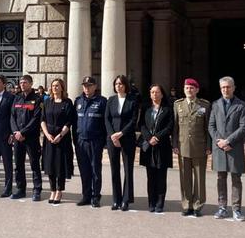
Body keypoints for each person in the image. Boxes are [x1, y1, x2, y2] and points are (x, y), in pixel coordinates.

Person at [208, 76, 245, 221]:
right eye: (223, 87)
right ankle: (222, 207)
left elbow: (243, 127)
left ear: (233, 88)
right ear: (220, 89)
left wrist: (229, 141)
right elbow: (211, 126)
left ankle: (236, 209)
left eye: (228, 87)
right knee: (220, 177)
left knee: (236, 178)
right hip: (219, 147)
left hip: (234, 147)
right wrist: (219, 141)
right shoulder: (215, 104)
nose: (226, 89)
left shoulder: (241, 105)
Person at [172, 78, 211, 217]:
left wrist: (208, 146)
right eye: (187, 88)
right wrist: (175, 144)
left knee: (199, 178)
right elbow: (175, 127)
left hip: (199, 146)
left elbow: (208, 128)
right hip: (182, 146)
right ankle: (186, 204)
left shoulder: (204, 105)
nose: (189, 90)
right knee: (185, 177)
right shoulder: (178, 105)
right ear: (184, 90)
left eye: (192, 88)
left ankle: (198, 205)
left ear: (197, 90)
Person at [105, 75, 140, 211]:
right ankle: (116, 200)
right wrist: (113, 135)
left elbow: (133, 120)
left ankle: (126, 199)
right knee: (114, 170)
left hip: (127, 138)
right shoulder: (111, 100)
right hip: (112, 138)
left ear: (125, 85)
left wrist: (121, 134)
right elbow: (107, 119)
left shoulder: (132, 100)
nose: (118, 86)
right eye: (116, 84)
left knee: (127, 169)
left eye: (121, 84)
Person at [74, 76, 108, 207]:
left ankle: (95, 197)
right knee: (84, 170)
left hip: (95, 141)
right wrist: (76, 140)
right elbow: (74, 123)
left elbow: (105, 123)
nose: (86, 88)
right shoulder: (78, 101)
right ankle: (86, 196)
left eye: (89, 85)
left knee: (95, 170)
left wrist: (103, 141)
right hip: (81, 142)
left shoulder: (102, 102)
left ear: (95, 86)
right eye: (84, 85)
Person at [140, 84, 174, 213]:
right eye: (152, 92)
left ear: (162, 94)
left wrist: (157, 137)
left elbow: (170, 126)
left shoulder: (167, 109)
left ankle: (160, 203)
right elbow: (141, 125)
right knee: (150, 176)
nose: (155, 94)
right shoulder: (146, 108)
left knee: (161, 176)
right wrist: (149, 138)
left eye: (157, 92)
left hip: (162, 146)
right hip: (149, 147)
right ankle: (151, 202)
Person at [10, 74, 44, 201]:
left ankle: (37, 190)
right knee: (18, 165)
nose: (22, 84)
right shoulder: (17, 98)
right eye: (21, 82)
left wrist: (23, 133)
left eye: (25, 82)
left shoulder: (38, 99)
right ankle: (20, 189)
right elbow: (12, 117)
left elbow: (36, 119)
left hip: (31, 138)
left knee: (34, 164)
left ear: (31, 83)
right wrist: (15, 132)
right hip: (18, 138)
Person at [41, 78, 75, 204]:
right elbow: (42, 119)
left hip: (62, 138)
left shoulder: (67, 103)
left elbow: (69, 121)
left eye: (57, 86)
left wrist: (60, 135)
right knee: (50, 165)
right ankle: (52, 190)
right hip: (49, 138)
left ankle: (59, 190)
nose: (55, 88)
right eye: (53, 86)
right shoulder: (47, 102)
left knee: (60, 166)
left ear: (62, 87)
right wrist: (47, 134)